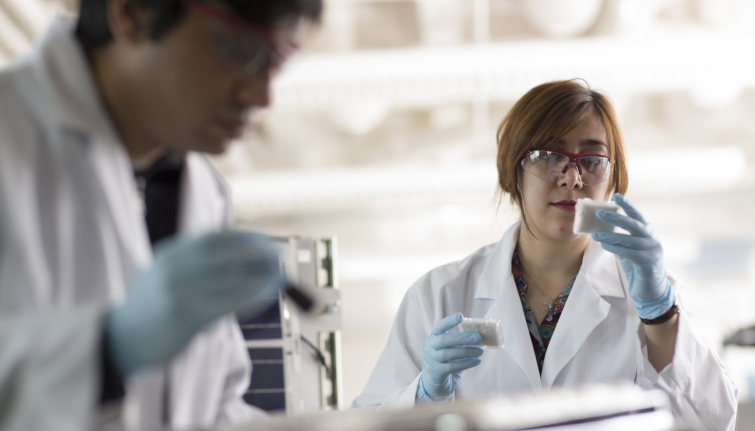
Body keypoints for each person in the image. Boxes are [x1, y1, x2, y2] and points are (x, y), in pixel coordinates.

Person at [0, 0, 321, 430]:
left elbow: (210, 410)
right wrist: (107, 350)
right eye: (240, 52)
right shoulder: (11, 134)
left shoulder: (204, 192)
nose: (261, 95)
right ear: (132, 15)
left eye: (276, 62)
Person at [352, 80, 738, 430]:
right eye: (549, 156)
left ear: (612, 178)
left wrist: (660, 315)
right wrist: (425, 396)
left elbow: (713, 421)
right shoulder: (438, 295)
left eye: (592, 160)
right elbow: (367, 423)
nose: (572, 177)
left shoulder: (650, 295)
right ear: (512, 172)